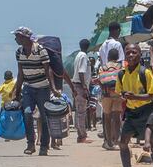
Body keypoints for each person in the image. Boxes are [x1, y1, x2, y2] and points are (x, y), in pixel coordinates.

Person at [13, 26, 63, 156]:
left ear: (25, 37)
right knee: (28, 113)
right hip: (28, 88)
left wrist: (53, 88)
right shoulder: (19, 52)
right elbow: (20, 74)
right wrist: (17, 93)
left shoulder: (41, 51)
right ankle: (30, 144)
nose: (15, 38)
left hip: (42, 88)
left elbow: (48, 71)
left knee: (44, 118)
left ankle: (44, 146)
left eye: (17, 36)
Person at [113, 46, 153, 167]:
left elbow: (152, 95)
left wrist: (134, 96)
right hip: (131, 113)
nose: (131, 55)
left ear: (139, 55)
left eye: (134, 52)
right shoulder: (121, 74)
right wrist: (124, 96)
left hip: (147, 111)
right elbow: (119, 92)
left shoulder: (145, 73)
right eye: (128, 53)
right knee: (122, 141)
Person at [99, 22, 126, 148]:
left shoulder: (102, 46)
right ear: (116, 30)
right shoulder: (117, 44)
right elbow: (122, 64)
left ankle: (107, 140)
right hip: (116, 86)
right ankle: (116, 139)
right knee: (116, 115)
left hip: (105, 86)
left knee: (106, 115)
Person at [72, 39, 93, 143]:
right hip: (80, 86)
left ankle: (80, 135)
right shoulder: (84, 56)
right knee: (81, 112)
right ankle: (82, 136)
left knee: (79, 111)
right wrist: (85, 87)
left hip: (77, 85)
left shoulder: (78, 55)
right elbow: (81, 72)